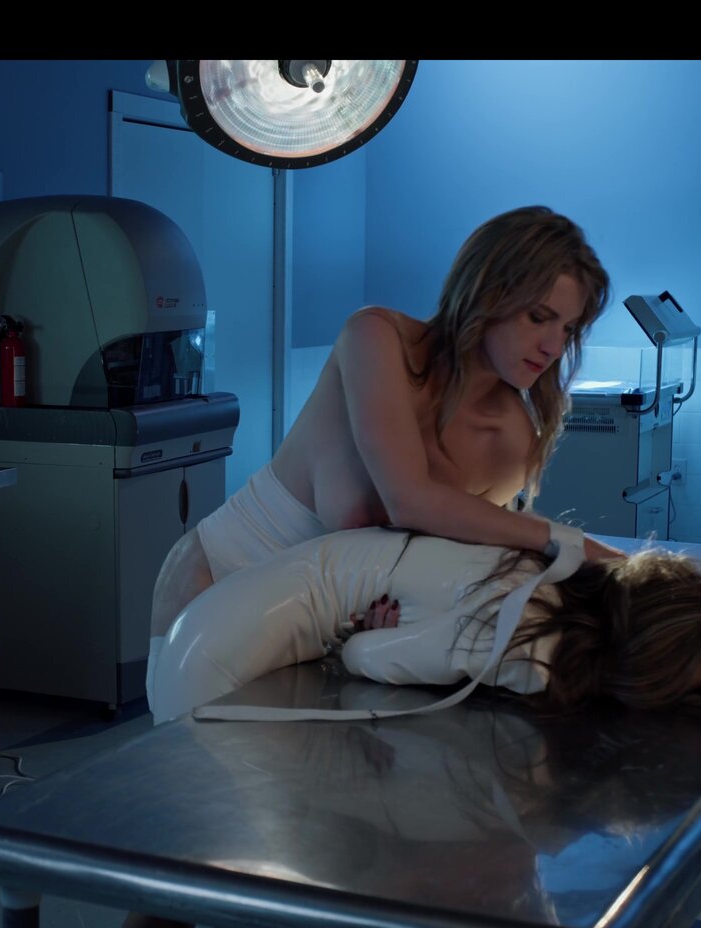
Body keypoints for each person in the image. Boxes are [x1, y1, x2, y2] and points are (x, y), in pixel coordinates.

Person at [105, 531, 701, 928]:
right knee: (218, 884)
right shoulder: (523, 642)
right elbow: (371, 655)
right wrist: (357, 637)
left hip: (227, 628)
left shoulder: (559, 583)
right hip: (221, 664)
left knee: (243, 891)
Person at [148, 206, 622, 697]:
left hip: (320, 636)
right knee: (182, 747)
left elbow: (425, 566)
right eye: (539, 317)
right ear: (486, 291)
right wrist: (567, 541)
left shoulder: (511, 441)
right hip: (215, 577)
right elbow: (408, 500)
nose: (552, 346)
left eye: (568, 329)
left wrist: (396, 615)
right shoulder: (377, 338)